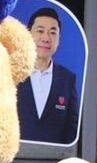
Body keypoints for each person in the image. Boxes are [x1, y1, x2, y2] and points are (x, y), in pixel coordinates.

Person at [15, 8, 81, 145]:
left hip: (54, 156)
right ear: (28, 34)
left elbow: (72, 128)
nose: (46, 38)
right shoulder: (12, 72)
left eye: (52, 32)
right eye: (40, 31)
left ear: (59, 39)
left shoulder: (68, 79)